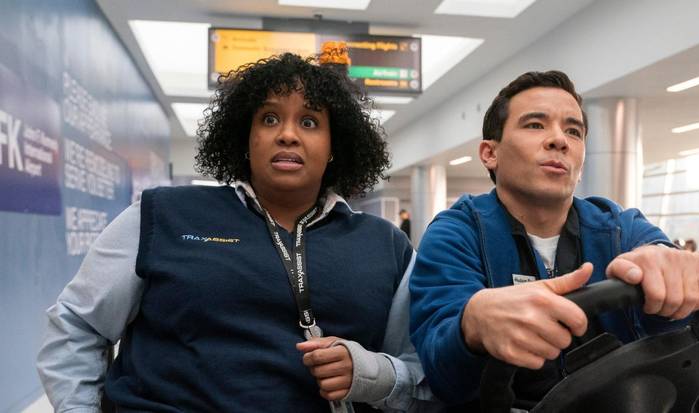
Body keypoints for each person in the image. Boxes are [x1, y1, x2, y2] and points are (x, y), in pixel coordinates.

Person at [37, 53, 440, 412]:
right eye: (269, 118)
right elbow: (78, 323)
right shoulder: (163, 214)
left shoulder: (386, 245)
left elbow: (423, 371)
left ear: (335, 145)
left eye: (310, 121)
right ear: (246, 139)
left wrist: (375, 374)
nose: (287, 134)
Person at [408, 70, 699, 407]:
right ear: (489, 153)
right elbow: (441, 372)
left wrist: (671, 267)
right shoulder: (456, 233)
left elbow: (660, 256)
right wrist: (470, 328)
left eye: (573, 131)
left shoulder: (619, 228)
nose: (560, 140)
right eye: (535, 125)